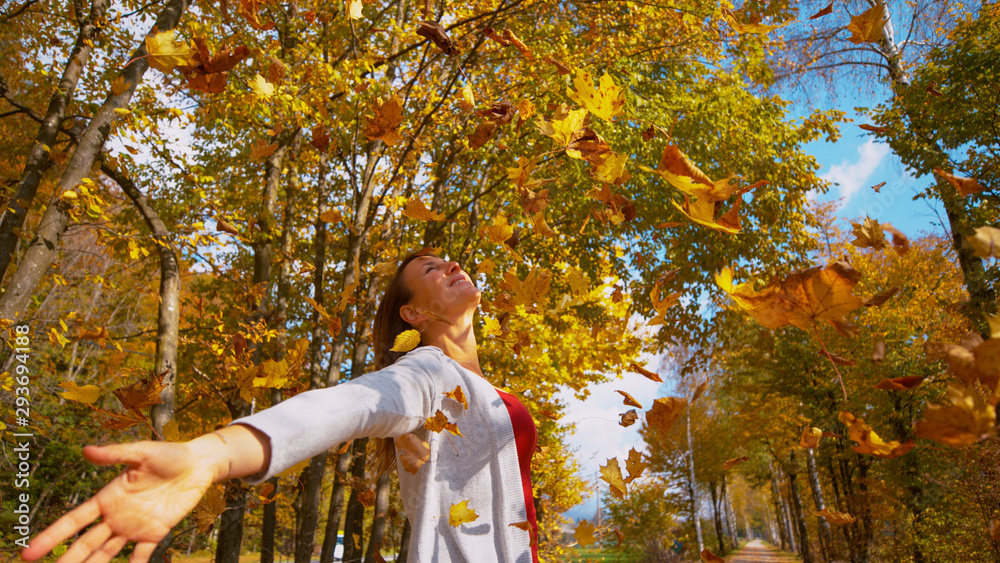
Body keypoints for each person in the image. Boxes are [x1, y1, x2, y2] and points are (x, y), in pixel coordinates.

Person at [20, 252, 539, 563]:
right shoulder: (428, 371)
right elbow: (351, 405)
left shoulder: (480, 390)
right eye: (430, 269)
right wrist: (215, 453)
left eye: (450, 260)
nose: (450, 264)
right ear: (413, 312)